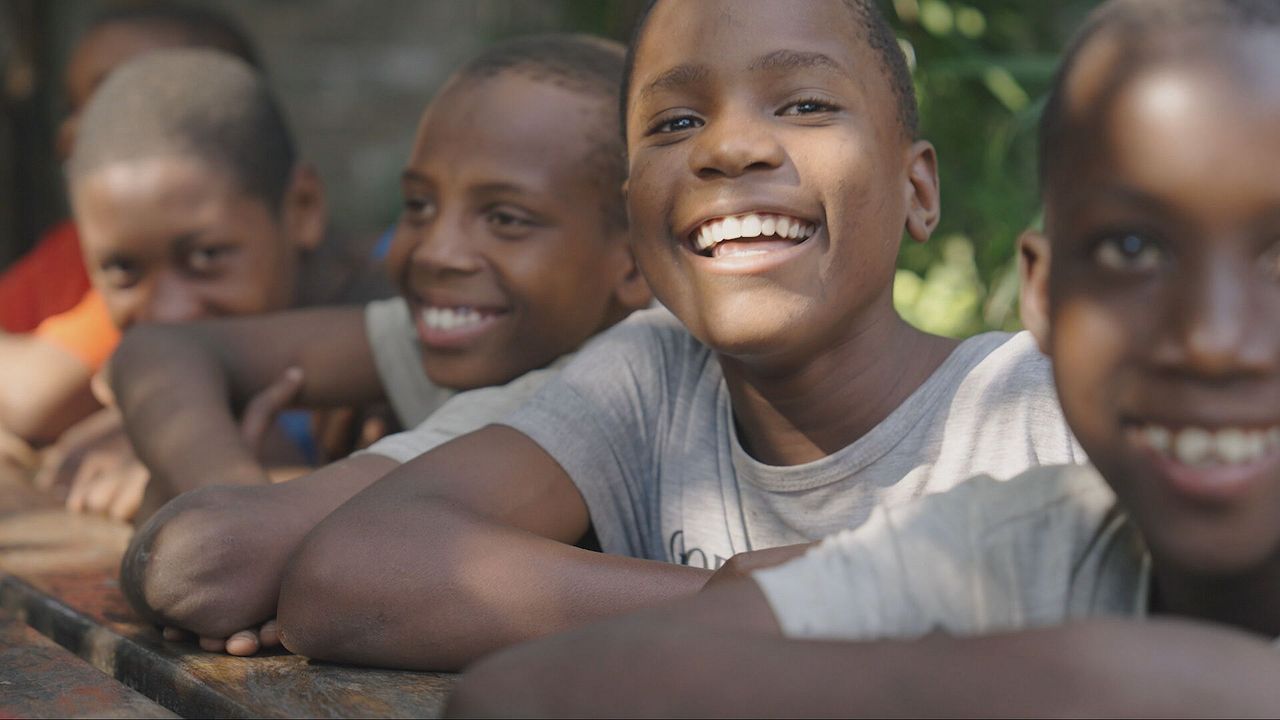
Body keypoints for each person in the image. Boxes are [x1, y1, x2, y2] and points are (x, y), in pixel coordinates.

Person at [446, 1, 1280, 715]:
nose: (1212, 338)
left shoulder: (1020, 451)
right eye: (1133, 248)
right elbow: (517, 695)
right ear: (1047, 295)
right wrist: (1093, 677)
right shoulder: (1013, 545)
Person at [264, 0, 1083, 672]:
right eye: (675, 121)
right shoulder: (652, 380)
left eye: (805, 104)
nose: (727, 148)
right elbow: (350, 574)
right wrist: (775, 604)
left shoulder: (1035, 415)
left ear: (918, 190)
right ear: (632, 211)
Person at [116, 35, 650, 655]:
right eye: (419, 205)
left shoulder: (573, 388)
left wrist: (214, 513)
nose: (435, 250)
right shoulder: (496, 325)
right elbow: (158, 353)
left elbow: (207, 564)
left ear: (635, 260)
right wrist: (231, 484)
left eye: (506, 217)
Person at [38, 48, 382, 520]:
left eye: (206, 258)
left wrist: (192, 475)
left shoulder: (418, 329)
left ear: (302, 206)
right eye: (123, 270)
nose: (169, 312)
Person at [0, 2, 262, 452]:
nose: (76, 131)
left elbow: (30, 397)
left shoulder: (161, 274)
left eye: (126, 97)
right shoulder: (76, 249)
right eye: (75, 107)